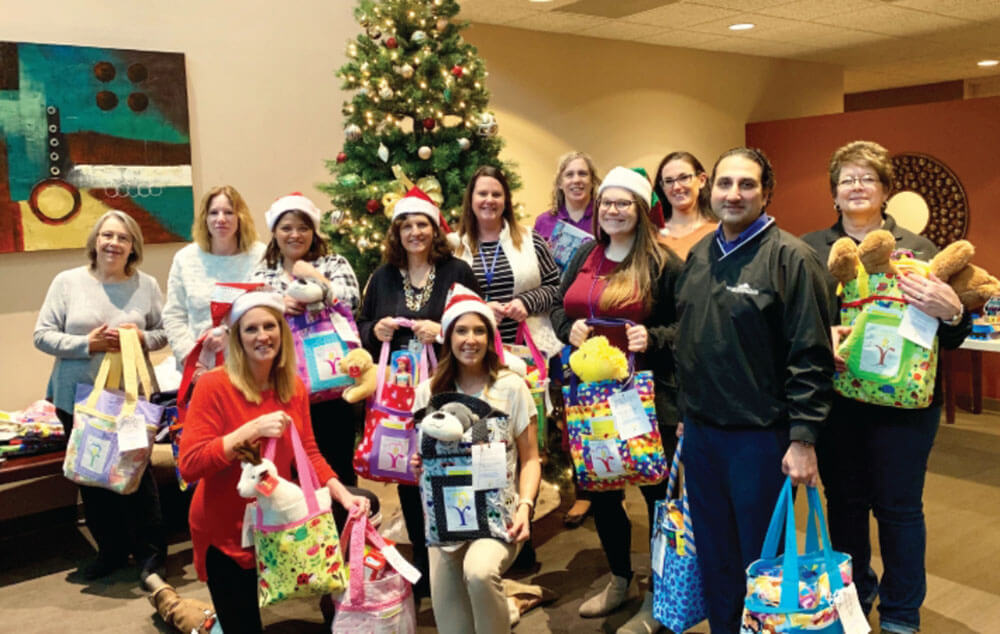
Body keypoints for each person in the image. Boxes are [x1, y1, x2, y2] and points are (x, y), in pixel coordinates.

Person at [801, 140, 969, 634]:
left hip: (906, 410)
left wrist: (951, 308)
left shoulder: (919, 251)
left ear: (885, 190)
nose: (856, 186)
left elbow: (952, 334)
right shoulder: (809, 249)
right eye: (846, 179)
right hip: (837, 405)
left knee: (898, 509)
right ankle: (853, 601)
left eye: (867, 178)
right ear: (833, 192)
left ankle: (900, 612)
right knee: (846, 507)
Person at [673, 147, 834, 632]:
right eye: (725, 184)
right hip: (702, 436)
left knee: (761, 563)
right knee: (716, 557)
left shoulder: (792, 258)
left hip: (760, 440)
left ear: (766, 193)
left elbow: (811, 356)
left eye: (747, 185)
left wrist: (803, 439)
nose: (734, 194)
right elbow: (691, 338)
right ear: (710, 188)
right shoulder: (700, 255)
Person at [177, 290, 373, 634]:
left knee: (359, 504)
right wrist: (248, 431)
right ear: (237, 338)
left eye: (270, 326)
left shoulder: (293, 386)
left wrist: (343, 495)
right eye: (251, 329)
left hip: (278, 522)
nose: (262, 335)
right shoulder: (212, 385)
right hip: (224, 529)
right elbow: (191, 464)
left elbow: (310, 453)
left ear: (282, 333)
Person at [550, 166, 683, 632]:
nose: (613, 210)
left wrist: (655, 336)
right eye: (607, 202)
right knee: (603, 492)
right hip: (589, 398)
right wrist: (571, 329)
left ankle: (662, 591)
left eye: (624, 203)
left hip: (643, 399)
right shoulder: (586, 253)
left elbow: (689, 327)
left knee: (655, 495)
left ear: (642, 210)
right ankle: (620, 577)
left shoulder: (663, 264)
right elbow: (557, 307)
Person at [356, 186, 479, 598]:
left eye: (421, 224)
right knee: (409, 473)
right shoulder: (382, 276)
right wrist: (375, 330)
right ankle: (428, 571)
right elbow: (359, 328)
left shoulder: (456, 272)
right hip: (398, 396)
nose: (414, 232)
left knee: (450, 469)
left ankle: (460, 562)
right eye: (405, 225)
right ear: (396, 233)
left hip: (447, 387)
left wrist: (443, 331)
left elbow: (477, 326)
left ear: (434, 228)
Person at [33, 210, 168, 580]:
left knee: (136, 477)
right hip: (75, 400)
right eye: (107, 235)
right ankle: (110, 552)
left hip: (128, 400)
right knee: (92, 478)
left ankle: (151, 556)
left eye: (123, 238)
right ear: (95, 241)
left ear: (133, 246)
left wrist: (141, 337)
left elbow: (164, 332)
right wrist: (86, 343)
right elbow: (42, 335)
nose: (113, 243)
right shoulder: (67, 282)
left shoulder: (147, 285)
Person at [412, 285, 541, 634]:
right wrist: (418, 464)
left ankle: (503, 612)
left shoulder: (511, 387)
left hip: (497, 516)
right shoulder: (428, 393)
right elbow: (423, 459)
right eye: (461, 330)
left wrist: (526, 507)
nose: (470, 339)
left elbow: (531, 458)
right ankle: (508, 609)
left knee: (480, 572)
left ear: (490, 336)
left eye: (479, 330)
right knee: (454, 628)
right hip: (445, 522)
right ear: (448, 337)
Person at [249, 193, 361, 486]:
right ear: (274, 232)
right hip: (281, 385)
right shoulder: (263, 274)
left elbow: (351, 301)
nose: (295, 234)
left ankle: (346, 528)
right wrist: (277, 304)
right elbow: (250, 321)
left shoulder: (334, 263)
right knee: (289, 471)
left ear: (314, 232)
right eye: (286, 227)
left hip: (332, 386)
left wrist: (314, 278)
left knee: (338, 468)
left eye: (303, 227)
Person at [163, 185, 265, 372]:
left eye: (228, 212)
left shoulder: (261, 256)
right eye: (213, 213)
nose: (221, 219)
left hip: (252, 366)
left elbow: (269, 313)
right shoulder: (185, 259)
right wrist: (189, 358)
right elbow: (174, 315)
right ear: (204, 218)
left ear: (240, 217)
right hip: (200, 367)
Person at [533, 151, 601, 270]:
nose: (576, 180)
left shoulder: (605, 218)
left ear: (592, 181)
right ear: (560, 183)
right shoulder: (543, 221)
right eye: (569, 175)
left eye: (583, 174)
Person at [652, 151, 716, 260]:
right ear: (662, 187)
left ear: (702, 180)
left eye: (684, 178)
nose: (676, 187)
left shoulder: (718, 231)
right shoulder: (652, 234)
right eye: (669, 181)